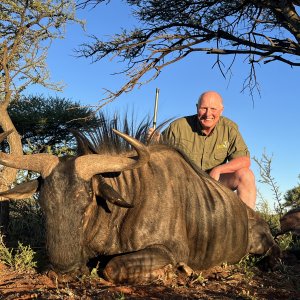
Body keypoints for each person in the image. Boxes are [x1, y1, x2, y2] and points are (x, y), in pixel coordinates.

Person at [148, 91, 256, 209]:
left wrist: (218, 170)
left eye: (213, 108)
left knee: (246, 175)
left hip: (215, 182)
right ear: (197, 108)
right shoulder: (178, 127)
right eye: (204, 108)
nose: (208, 113)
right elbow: (159, 152)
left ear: (221, 110)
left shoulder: (229, 128)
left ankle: (247, 224)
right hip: (185, 182)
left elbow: (245, 160)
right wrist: (155, 141)